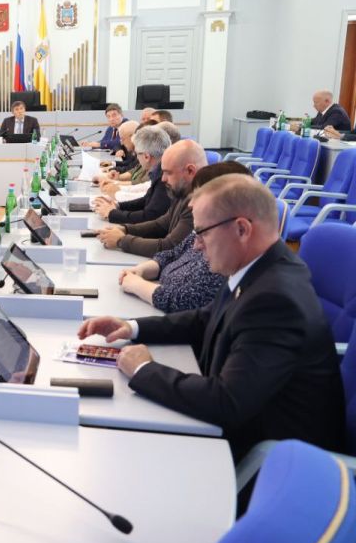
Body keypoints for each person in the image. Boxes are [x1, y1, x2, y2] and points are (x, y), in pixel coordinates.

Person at [79, 174, 344, 461]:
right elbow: (204, 319)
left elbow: (227, 402)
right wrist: (131, 327)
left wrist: (144, 369)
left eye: (202, 233)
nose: (196, 246)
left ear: (241, 229)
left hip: (269, 459)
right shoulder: (259, 266)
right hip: (243, 423)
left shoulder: (276, 300)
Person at [117, 162, 251, 313]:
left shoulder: (222, 252)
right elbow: (172, 253)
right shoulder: (204, 229)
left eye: (197, 197)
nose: (191, 204)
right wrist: (141, 270)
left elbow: (184, 300)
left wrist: (137, 285)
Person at [96, 140, 206, 256]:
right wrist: (125, 229)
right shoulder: (184, 190)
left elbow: (170, 247)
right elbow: (161, 224)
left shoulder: (201, 202)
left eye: (168, 173)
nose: (163, 179)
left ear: (190, 171)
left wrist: (121, 241)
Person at [94, 125, 171, 225]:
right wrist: (118, 206)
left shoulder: (165, 176)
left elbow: (150, 215)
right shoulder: (159, 170)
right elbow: (146, 200)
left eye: (137, 154)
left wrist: (112, 214)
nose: (136, 158)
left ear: (146, 157)